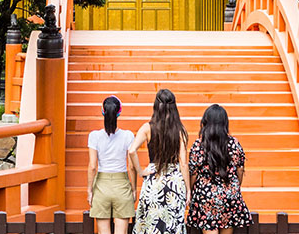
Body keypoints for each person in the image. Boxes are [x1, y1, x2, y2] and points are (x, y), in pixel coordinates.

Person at [129, 88, 189, 234]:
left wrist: (140, 171)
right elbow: (183, 163)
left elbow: (131, 151)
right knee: (172, 226)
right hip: (174, 182)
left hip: (153, 181)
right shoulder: (180, 130)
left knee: (151, 226)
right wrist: (188, 190)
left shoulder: (147, 128)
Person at [187, 104, 251, 234]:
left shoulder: (199, 145)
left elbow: (193, 173)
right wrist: (235, 186)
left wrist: (191, 192)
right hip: (229, 194)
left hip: (206, 196)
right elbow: (240, 169)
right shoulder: (234, 143)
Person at [87, 96, 137, 234]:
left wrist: (89, 190)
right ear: (119, 112)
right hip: (121, 185)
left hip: (101, 185)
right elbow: (131, 167)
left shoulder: (94, 136)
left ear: (103, 111)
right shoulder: (128, 136)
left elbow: (92, 166)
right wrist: (133, 189)